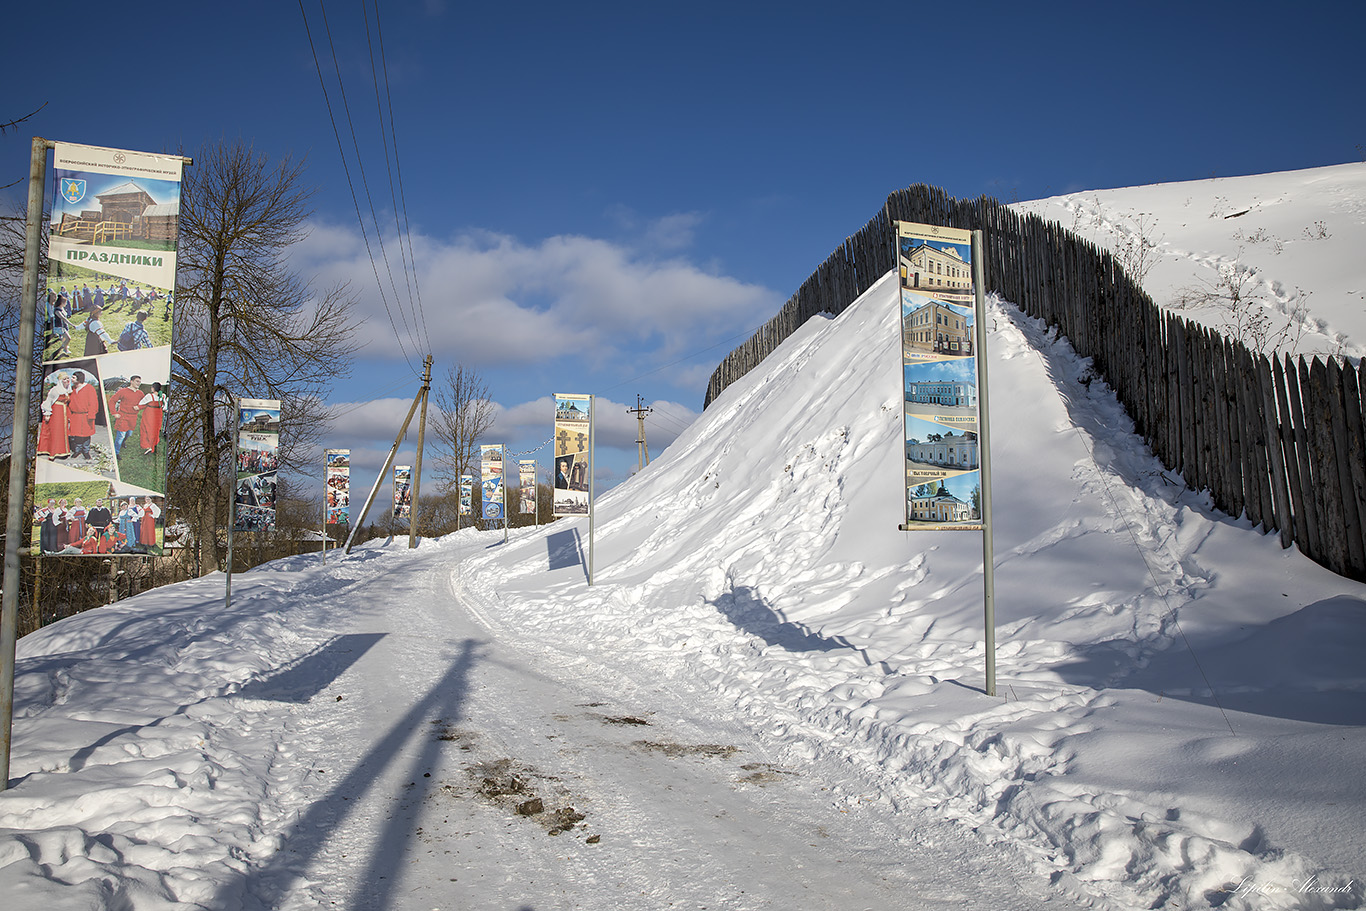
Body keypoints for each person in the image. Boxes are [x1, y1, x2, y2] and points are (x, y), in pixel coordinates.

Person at [36, 372, 73, 459]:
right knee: (55, 431)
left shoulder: (68, 390)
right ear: (60, 381)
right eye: (64, 379)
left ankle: (62, 451)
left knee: (62, 431)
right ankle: (53, 452)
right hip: (56, 412)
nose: (67, 380)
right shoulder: (55, 390)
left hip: (63, 412)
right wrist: (47, 413)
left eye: (68, 378)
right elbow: (48, 401)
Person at [66, 370, 100, 461]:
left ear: (79, 378)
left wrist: (91, 414)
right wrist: (69, 415)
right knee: (76, 434)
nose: (71, 379)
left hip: (86, 415)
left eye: (73, 377)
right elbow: (68, 403)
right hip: (75, 415)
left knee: (86, 434)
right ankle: (77, 450)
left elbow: (93, 402)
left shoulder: (89, 388)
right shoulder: (72, 389)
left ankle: (86, 451)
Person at [109, 375, 143, 455]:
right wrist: (114, 413)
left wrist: (139, 407)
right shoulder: (123, 391)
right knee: (121, 435)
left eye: (140, 382)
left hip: (133, 417)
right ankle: (116, 453)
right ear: (131, 381)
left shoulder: (140, 393)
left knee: (129, 434)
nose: (139, 383)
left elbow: (145, 403)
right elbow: (112, 401)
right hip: (123, 416)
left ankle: (123, 442)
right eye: (137, 381)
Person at [138, 382, 166, 454]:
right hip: (158, 413)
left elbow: (141, 403)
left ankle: (148, 446)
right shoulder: (163, 396)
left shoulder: (149, 396)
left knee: (146, 428)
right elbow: (164, 406)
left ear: (153, 388)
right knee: (155, 429)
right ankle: (154, 443)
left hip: (150, 413)